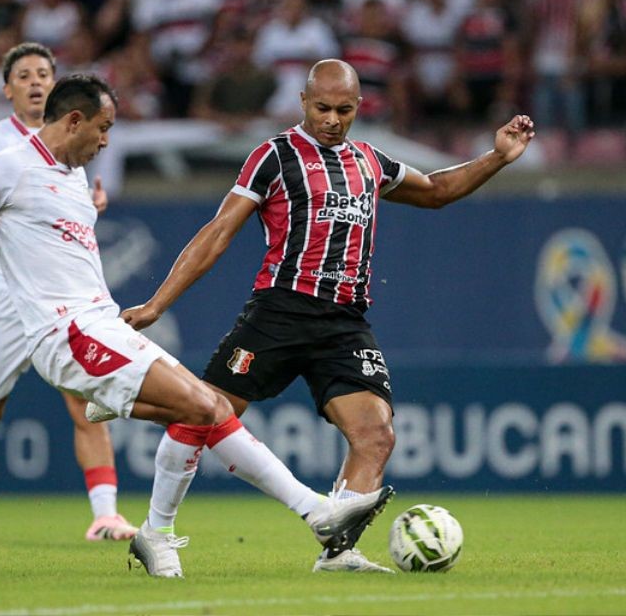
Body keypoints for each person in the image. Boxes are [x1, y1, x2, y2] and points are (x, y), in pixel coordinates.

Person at [0, 73, 395, 578]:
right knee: (209, 406)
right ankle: (318, 513)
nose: (107, 142)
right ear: (74, 121)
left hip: (101, 325)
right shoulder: (7, 167)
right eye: (104, 128)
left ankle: (156, 533)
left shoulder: (74, 178)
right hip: (69, 334)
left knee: (201, 412)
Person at [121, 59, 536, 571]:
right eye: (322, 108)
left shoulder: (369, 160)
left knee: (376, 433)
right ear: (302, 101)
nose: (333, 119)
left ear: (359, 107)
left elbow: (436, 191)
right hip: (280, 310)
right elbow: (218, 231)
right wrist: (158, 304)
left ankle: (338, 553)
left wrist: (496, 157)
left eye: (344, 109)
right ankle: (154, 527)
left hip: (344, 322)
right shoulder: (272, 157)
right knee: (202, 413)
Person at [0, 42, 129, 543]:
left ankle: (106, 514)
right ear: (7, 90)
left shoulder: (74, 140)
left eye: (43, 72)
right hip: (5, 288)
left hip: (56, 294)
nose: (34, 81)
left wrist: (89, 205)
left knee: (85, 397)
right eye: (23, 74)